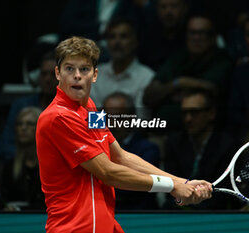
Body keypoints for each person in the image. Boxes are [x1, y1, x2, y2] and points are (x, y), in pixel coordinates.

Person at [36, 36, 212, 233]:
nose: (77, 75)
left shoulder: (91, 109)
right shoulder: (59, 117)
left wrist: (181, 182)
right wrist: (171, 186)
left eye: (84, 69)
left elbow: (120, 156)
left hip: (102, 224)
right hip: (73, 228)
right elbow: (108, 172)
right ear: (58, 73)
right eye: (69, 69)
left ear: (94, 75)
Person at [143, 12, 233, 130]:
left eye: (202, 33)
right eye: (192, 33)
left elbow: (210, 90)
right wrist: (178, 83)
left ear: (214, 37)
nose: (196, 38)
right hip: (164, 133)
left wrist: (169, 90)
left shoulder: (222, 62)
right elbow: (149, 96)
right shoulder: (177, 59)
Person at [163, 88, 242, 210]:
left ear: (211, 114)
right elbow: (169, 187)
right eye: (184, 113)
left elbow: (222, 196)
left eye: (194, 113)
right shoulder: (174, 143)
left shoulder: (228, 146)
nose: (188, 119)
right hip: (177, 210)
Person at [102, 92, 161, 210]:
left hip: (139, 215)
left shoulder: (148, 149)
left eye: (117, 117)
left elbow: (137, 188)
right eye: (107, 117)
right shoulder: (97, 146)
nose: (111, 123)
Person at [0, 51, 58, 161]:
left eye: (53, 75)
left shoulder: (78, 108)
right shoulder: (22, 106)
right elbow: (5, 144)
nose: (48, 79)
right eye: (44, 74)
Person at [90, 18, 155, 118]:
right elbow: (93, 118)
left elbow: (141, 120)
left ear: (135, 42)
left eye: (123, 36)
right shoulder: (96, 75)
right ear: (107, 43)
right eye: (112, 37)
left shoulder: (146, 77)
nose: (117, 42)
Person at [0, 107, 45, 211]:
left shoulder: (54, 166)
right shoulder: (9, 166)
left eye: (29, 124)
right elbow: (3, 199)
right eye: (20, 124)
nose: (23, 128)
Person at [137, 0, 190, 71]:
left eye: (174, 6)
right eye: (163, 7)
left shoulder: (192, 37)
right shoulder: (147, 39)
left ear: (184, 8)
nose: (168, 12)